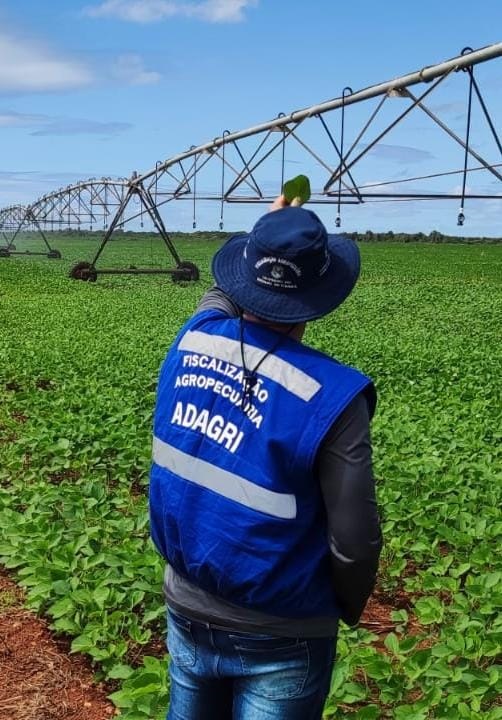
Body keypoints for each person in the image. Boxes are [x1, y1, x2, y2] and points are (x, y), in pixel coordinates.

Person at [149, 197, 382, 720]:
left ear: (242, 277)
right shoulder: (334, 397)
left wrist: (266, 234)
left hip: (186, 603)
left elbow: (216, 297)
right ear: (322, 295)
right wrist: (339, 610)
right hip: (284, 630)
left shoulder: (192, 340)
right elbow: (355, 539)